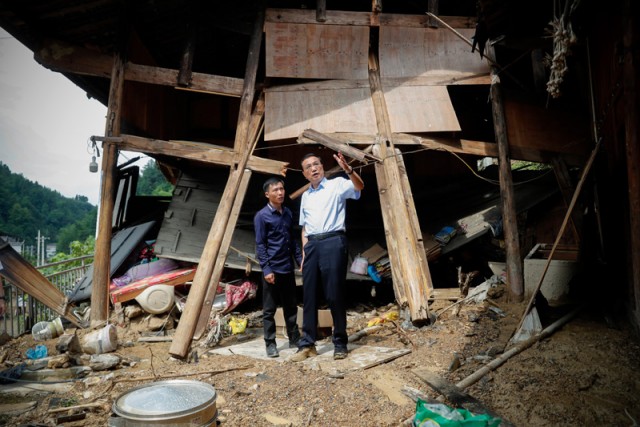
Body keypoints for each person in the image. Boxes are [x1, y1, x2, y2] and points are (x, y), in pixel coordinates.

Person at [290, 152, 364, 362]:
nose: (313, 168)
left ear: (322, 167)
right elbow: (305, 227)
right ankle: (307, 344)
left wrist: (348, 169)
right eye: (308, 167)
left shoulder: (337, 185)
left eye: (316, 164)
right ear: (304, 174)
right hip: (312, 245)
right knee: (309, 295)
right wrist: (304, 251)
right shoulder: (306, 196)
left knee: (334, 294)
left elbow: (359, 187)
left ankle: (340, 343)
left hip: (333, 241)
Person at [254, 177, 303, 358]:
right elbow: (260, 244)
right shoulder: (261, 216)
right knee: (269, 310)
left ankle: (294, 338)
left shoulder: (287, 213)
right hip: (272, 270)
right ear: (267, 194)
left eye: (281, 189)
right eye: (275, 190)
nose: (280, 193)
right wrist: (266, 269)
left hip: (287, 268)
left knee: (291, 306)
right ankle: (270, 344)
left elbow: (293, 240)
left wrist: (300, 260)